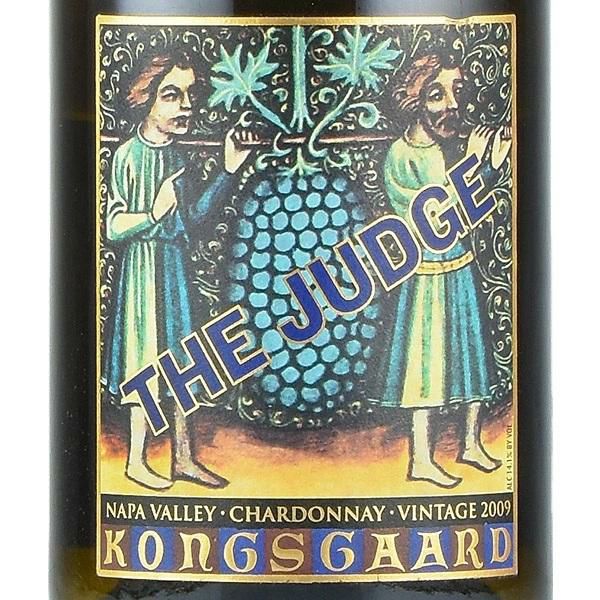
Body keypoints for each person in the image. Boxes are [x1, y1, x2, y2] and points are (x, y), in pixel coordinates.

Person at [103, 51, 253, 490]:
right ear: (145, 99)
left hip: (174, 270)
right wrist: (153, 213)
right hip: (142, 273)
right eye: (172, 95)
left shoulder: (177, 157)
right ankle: (136, 460)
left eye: (190, 95)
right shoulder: (127, 155)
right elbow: (113, 226)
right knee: (143, 362)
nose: (186, 105)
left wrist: (228, 168)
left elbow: (195, 218)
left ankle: (183, 458)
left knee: (182, 363)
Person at [380, 54, 512, 489]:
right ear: (414, 100)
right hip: (425, 279)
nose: (450, 105)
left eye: (457, 92)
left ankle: (470, 443)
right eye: (437, 94)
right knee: (426, 371)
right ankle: (421, 458)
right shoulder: (400, 155)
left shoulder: (443, 150)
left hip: (460, 270)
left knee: (470, 359)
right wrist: (479, 166)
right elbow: (434, 219)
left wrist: (488, 163)